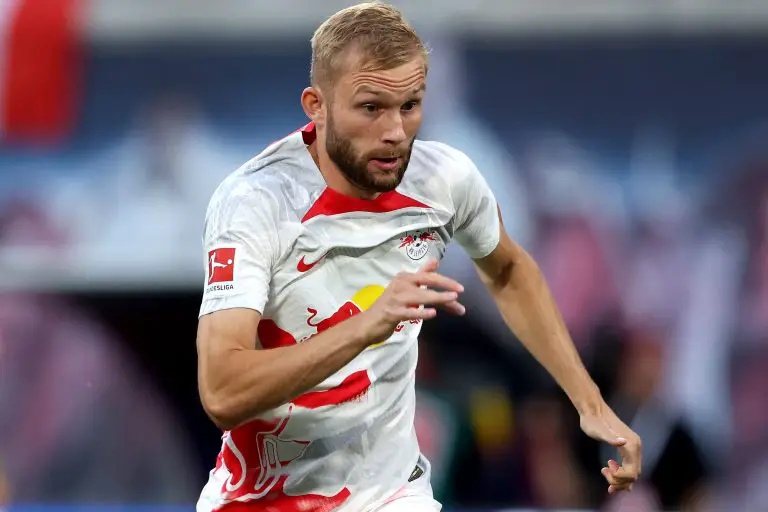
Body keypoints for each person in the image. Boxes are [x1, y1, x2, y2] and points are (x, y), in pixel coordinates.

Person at [195, 3, 642, 511]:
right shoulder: (256, 203)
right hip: (266, 498)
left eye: (410, 106)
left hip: (392, 495)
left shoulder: (445, 178)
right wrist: (367, 324)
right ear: (315, 106)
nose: (395, 131)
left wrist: (589, 403)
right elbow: (223, 392)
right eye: (371, 108)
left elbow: (510, 270)